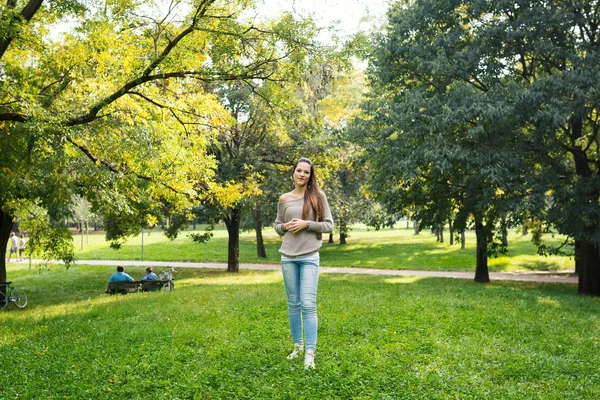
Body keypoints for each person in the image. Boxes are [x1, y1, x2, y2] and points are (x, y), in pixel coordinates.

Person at [274, 157, 333, 369]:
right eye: (299, 170)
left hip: (309, 257)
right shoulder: (284, 199)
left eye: (306, 172)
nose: (301, 174)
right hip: (288, 257)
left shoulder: (318, 196)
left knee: (308, 305)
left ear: (310, 175)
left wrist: (306, 224)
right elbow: (277, 225)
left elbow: (329, 225)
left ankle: (310, 352)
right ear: (293, 173)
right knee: (293, 304)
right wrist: (285, 228)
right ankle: (297, 347)